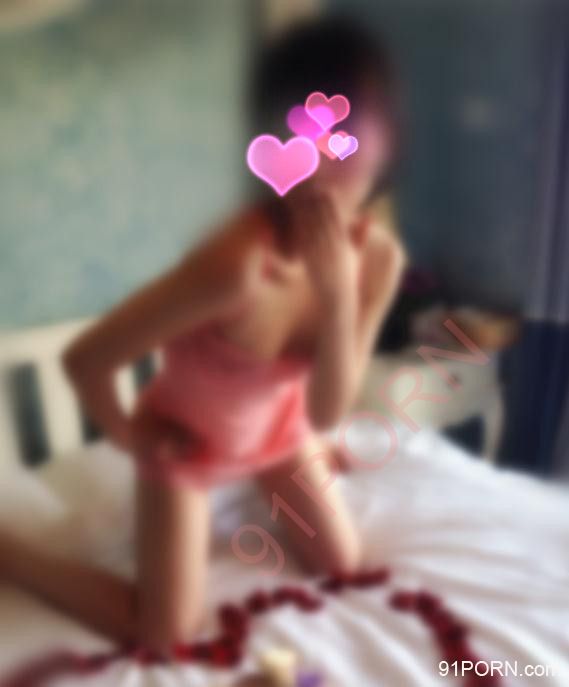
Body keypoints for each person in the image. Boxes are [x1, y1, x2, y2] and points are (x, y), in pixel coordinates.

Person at [0, 16, 405, 657]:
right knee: (164, 635)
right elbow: (86, 359)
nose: (328, 160)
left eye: (351, 136)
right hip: (192, 444)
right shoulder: (236, 265)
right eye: (307, 133)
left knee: (343, 564)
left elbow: (328, 408)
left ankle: (297, 469)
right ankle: (13, 556)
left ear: (383, 150)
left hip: (283, 433)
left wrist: (336, 300)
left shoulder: (378, 260)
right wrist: (132, 435)